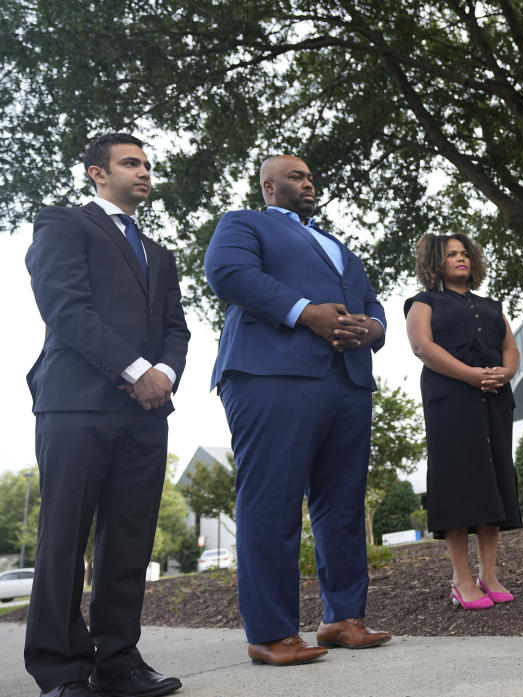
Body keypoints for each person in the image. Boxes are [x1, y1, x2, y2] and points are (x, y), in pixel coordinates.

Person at [204, 155, 390, 666]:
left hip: (348, 379)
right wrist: (305, 313)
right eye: (295, 176)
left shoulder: (339, 245)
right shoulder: (244, 223)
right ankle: (270, 633)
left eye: (310, 176)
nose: (308, 182)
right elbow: (228, 273)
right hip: (272, 375)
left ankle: (342, 618)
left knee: (344, 503)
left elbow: (371, 303)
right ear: (268, 186)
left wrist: (374, 329)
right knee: (273, 502)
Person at [24, 133, 189, 697]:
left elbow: (177, 327)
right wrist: (135, 368)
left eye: (146, 164)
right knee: (64, 538)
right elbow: (65, 307)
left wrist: (164, 375)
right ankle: (62, 671)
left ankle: (119, 662)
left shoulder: (160, 254)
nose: (144, 172)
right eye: (130, 163)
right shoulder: (62, 224)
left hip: (147, 411)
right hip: (76, 403)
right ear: (97, 173)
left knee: (130, 540)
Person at [404, 233, 522, 610]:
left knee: (493, 482)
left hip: (494, 400)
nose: (460, 259)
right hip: (451, 401)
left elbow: (511, 347)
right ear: (435, 262)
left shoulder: (491, 305)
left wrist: (505, 373)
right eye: (451, 254)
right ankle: (461, 578)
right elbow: (423, 347)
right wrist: (471, 375)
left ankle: (489, 574)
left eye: (464, 253)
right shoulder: (424, 303)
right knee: (457, 484)